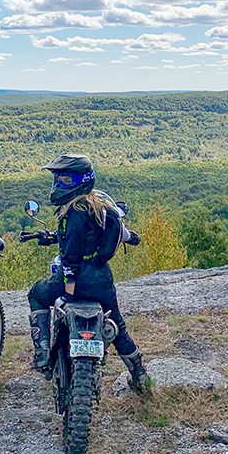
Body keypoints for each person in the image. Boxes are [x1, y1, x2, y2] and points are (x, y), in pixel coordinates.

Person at [27, 154, 148, 392]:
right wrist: (134, 238)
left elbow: (71, 257)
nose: (58, 185)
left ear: (80, 181)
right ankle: (140, 375)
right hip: (101, 279)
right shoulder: (103, 209)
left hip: (74, 279)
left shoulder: (72, 214)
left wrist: (69, 289)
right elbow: (124, 235)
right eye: (58, 180)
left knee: (36, 295)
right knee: (118, 326)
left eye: (64, 180)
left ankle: (42, 355)